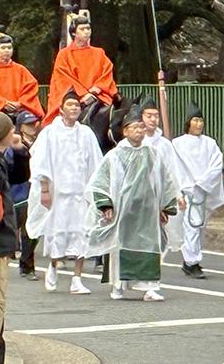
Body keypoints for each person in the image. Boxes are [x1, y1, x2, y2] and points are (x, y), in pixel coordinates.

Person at [86, 105, 179, 302]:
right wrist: (106, 205)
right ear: (125, 131)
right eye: (134, 128)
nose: (139, 131)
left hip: (147, 210)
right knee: (121, 245)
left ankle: (150, 287)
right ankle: (118, 286)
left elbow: (165, 180)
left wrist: (165, 206)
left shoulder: (153, 154)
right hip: (123, 210)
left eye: (141, 128)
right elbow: (101, 180)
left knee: (149, 245)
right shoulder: (115, 155)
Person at [25, 88, 102, 295]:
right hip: (58, 192)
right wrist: (44, 189)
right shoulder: (50, 133)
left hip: (80, 193)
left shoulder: (86, 133)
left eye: (77, 105)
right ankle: (53, 266)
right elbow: (41, 162)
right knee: (58, 233)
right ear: (61, 110)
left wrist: (95, 191)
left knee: (82, 234)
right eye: (70, 105)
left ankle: (77, 278)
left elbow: (96, 163)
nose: (74, 108)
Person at [0, 112, 28, 362]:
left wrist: (22, 153)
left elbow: (20, 177)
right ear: (1, 134)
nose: (15, 134)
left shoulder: (0, 158)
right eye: (11, 130)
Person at [172, 102, 224, 279]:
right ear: (188, 122)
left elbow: (217, 165)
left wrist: (203, 182)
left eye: (201, 120)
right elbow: (174, 168)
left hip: (203, 190)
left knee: (199, 226)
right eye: (195, 120)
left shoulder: (210, 143)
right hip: (187, 191)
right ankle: (191, 261)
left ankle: (192, 258)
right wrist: (180, 189)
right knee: (191, 226)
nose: (199, 124)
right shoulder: (177, 144)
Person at [138, 95, 191, 256]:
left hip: (158, 196)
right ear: (141, 117)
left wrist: (178, 194)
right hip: (138, 197)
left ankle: (152, 277)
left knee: (158, 238)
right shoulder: (135, 142)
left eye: (156, 116)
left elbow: (172, 171)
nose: (153, 119)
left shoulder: (165, 145)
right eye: (149, 116)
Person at [44, 15, 117, 126]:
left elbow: (107, 72)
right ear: (74, 33)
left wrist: (97, 88)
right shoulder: (64, 54)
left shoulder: (99, 53)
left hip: (98, 95)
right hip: (75, 97)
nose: (87, 32)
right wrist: (82, 95)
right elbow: (63, 78)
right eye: (82, 29)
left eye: (88, 28)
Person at [0, 30, 44, 120]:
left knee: (29, 122)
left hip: (20, 110)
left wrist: (21, 103)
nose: (7, 50)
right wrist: (2, 103)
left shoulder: (20, 69)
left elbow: (31, 87)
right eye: (3, 48)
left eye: (9, 48)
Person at [10, 111, 40, 281]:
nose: (32, 127)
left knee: (31, 230)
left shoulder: (40, 142)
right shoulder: (15, 145)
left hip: (33, 191)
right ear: (20, 127)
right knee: (13, 227)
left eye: (34, 123)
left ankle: (27, 266)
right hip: (18, 192)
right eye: (28, 124)